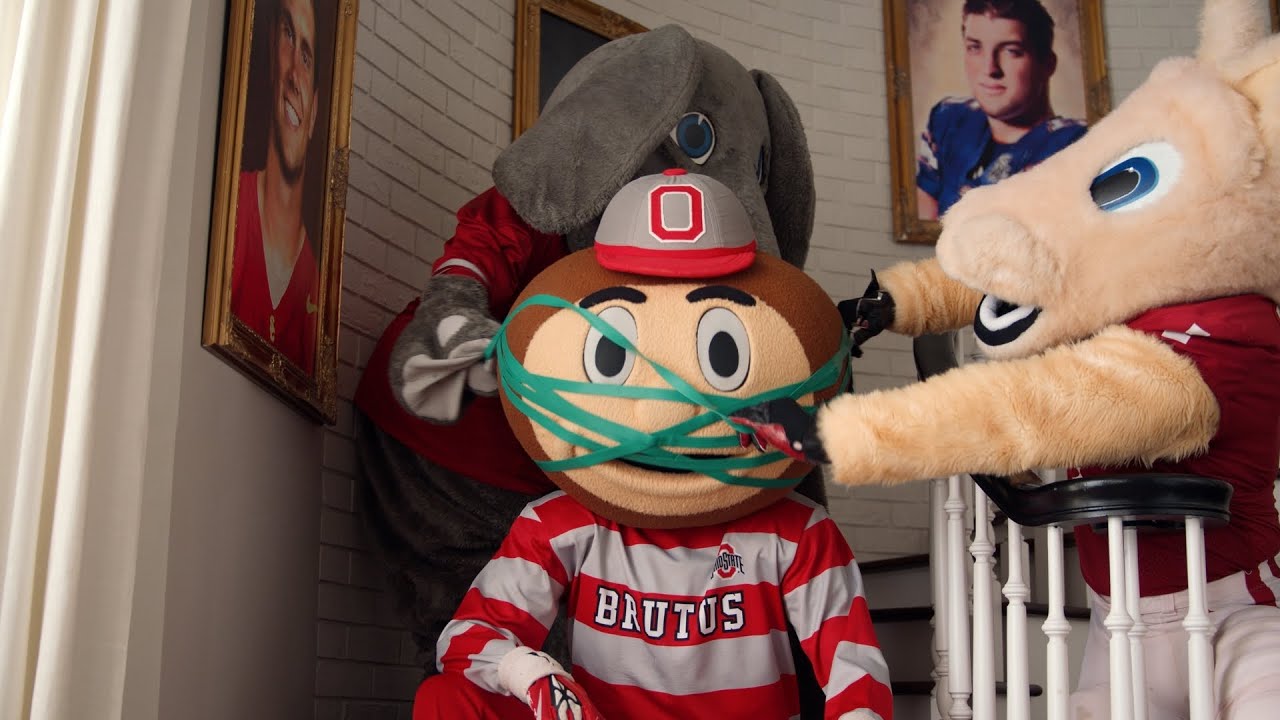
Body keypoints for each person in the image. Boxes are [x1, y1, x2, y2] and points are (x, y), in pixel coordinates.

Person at [915, 0, 1086, 220]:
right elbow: (924, 227)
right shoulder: (948, 120)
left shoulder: (1074, 145)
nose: (990, 68)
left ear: (1047, 64)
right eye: (975, 48)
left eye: (1011, 51)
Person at [230, 0, 321, 374]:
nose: (295, 75)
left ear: (315, 115)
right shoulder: (231, 212)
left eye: (307, 57)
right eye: (287, 34)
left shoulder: (317, 286)